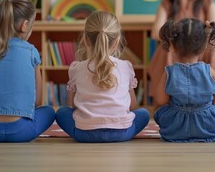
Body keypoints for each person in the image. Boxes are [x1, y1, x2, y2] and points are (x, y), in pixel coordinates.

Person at [55, 11, 150, 143]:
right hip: (122, 133)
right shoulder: (125, 66)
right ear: (117, 42)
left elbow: (72, 106)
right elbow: (132, 105)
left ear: (85, 40)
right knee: (144, 114)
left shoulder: (76, 68)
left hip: (85, 134)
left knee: (61, 113)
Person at [0, 0, 55, 142]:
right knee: (50, 112)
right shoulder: (31, 51)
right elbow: (38, 102)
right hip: (21, 132)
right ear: (24, 25)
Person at [154, 18, 215, 142]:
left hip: (175, 129)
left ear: (173, 47)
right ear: (204, 46)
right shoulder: (208, 70)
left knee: (159, 113)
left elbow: (161, 100)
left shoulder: (169, 72)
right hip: (208, 127)